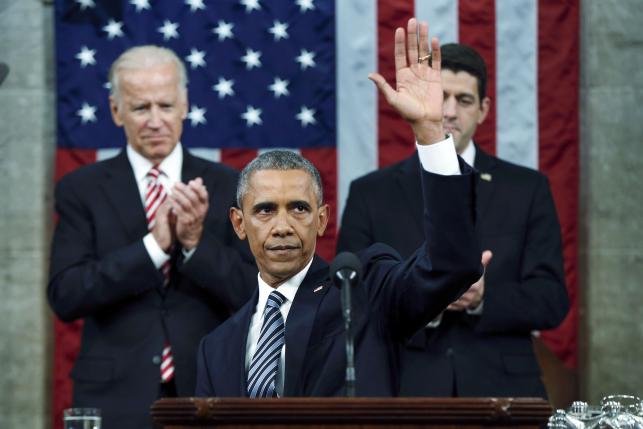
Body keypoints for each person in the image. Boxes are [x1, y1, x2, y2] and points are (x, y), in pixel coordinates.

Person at [195, 18, 483, 398]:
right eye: (265, 211)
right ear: (238, 222)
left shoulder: (366, 297)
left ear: (322, 219)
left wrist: (430, 133)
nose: (282, 226)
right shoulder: (216, 347)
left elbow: (451, 266)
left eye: (298, 208)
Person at [337, 43, 569, 397]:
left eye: (463, 100)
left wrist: (482, 296)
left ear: (483, 110)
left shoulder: (527, 188)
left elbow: (551, 299)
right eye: (440, 96)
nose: (447, 111)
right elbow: (351, 299)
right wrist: (428, 294)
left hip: (503, 389)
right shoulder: (371, 193)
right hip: (405, 386)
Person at [48, 46, 256, 428]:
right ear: (116, 111)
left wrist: (195, 244)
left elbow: (253, 295)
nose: (156, 121)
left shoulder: (229, 185)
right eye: (142, 108)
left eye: (165, 105)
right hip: (113, 398)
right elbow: (66, 294)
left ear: (185, 105)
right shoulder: (81, 188)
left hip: (207, 390)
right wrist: (153, 248)